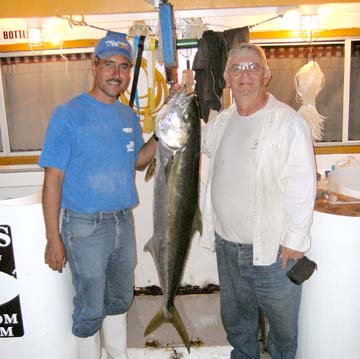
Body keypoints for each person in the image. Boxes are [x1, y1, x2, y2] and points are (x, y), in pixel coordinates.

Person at [38, 31, 157, 359]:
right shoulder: (68, 114)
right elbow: (52, 181)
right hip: (83, 225)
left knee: (119, 299)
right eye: (109, 65)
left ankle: (118, 355)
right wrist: (54, 238)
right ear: (94, 66)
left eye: (123, 67)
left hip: (123, 221)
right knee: (90, 305)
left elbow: (137, 161)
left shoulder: (128, 115)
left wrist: (163, 135)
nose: (116, 73)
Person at [201, 43, 316, 359]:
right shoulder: (222, 121)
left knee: (282, 333)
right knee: (238, 326)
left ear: (266, 74)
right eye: (237, 68)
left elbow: (302, 182)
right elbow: (202, 153)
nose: (245, 75)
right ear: (226, 78)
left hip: (273, 251)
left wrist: (295, 240)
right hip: (227, 246)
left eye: (253, 67)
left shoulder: (287, 121)